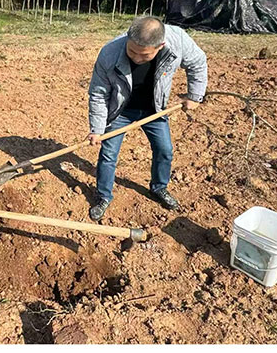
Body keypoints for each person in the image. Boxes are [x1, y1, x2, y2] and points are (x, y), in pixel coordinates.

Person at [87, 16, 207, 221]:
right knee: (108, 154)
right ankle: (103, 196)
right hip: (120, 111)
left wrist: (195, 96)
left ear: (160, 46)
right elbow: (98, 93)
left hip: (154, 109)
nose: (135, 58)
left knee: (164, 150)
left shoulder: (178, 40)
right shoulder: (109, 53)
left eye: (143, 55)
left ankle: (159, 187)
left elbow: (197, 62)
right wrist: (97, 129)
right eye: (131, 51)